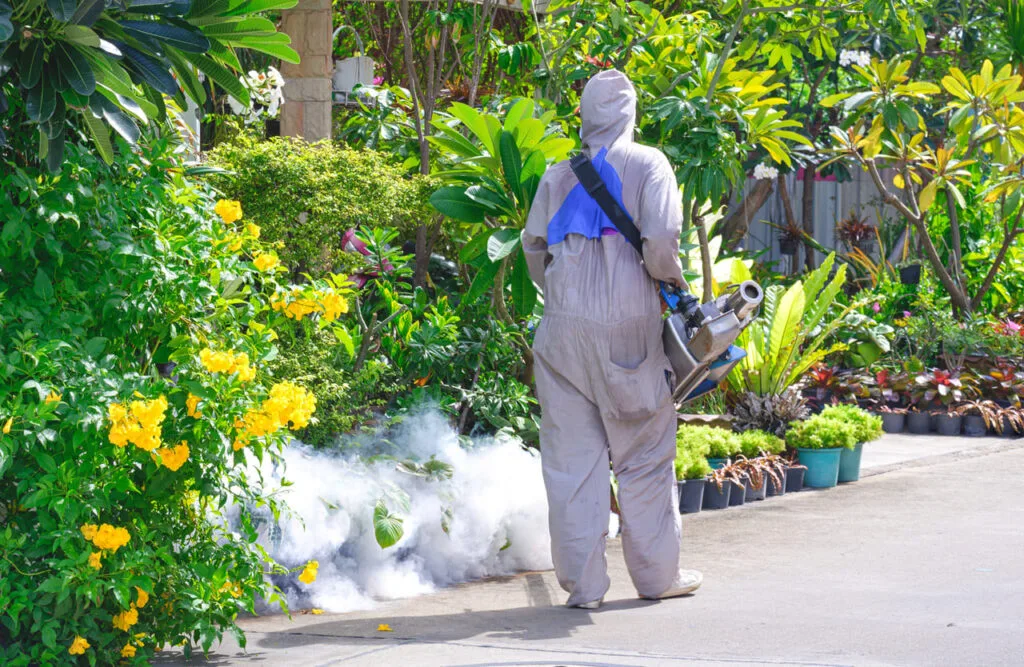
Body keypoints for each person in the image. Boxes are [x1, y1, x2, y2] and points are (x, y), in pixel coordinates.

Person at [521, 69, 702, 609]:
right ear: (630, 114)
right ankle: (657, 577)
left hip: (561, 329)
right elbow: (662, 241)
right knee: (644, 455)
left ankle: (584, 589)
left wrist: (564, 296)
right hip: (627, 327)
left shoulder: (558, 173)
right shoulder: (649, 163)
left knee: (572, 465)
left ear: (585, 115)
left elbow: (533, 247)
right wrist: (671, 285)